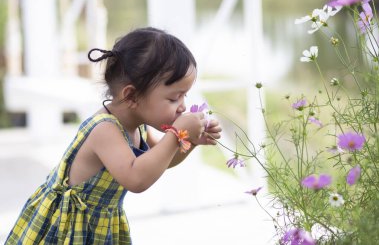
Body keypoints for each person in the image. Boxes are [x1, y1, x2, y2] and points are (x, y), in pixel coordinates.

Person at [5, 27, 222, 244]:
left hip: (98, 226)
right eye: (174, 98)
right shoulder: (105, 130)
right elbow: (137, 179)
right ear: (131, 96)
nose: (182, 107)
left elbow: (161, 161)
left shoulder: (139, 126)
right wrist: (176, 135)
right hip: (67, 229)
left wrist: (189, 141)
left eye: (184, 96)